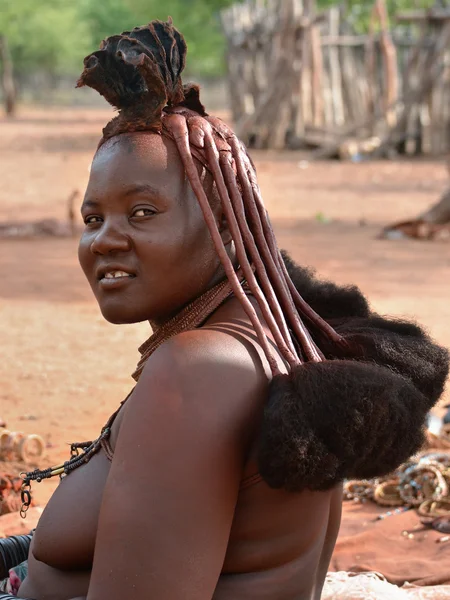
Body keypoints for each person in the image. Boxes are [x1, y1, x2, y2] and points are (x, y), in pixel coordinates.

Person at [1, 19, 448, 600]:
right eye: (93, 219)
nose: (104, 240)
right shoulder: (263, 339)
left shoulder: (197, 372)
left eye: (141, 213)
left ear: (227, 229)